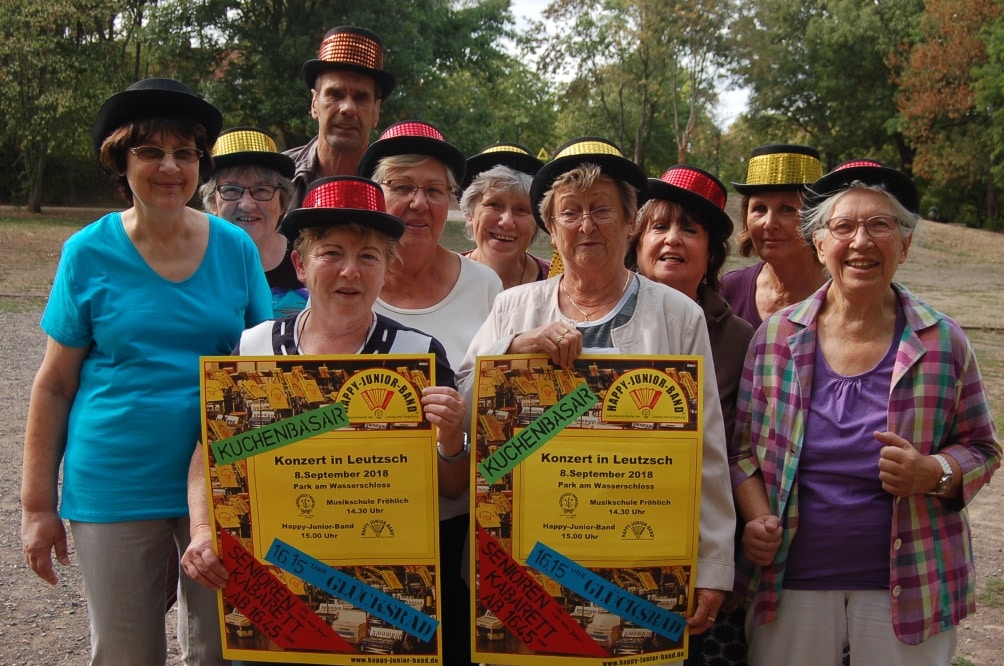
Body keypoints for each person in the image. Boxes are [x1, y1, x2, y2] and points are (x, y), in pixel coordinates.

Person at [20, 78, 272, 666]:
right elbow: (54, 385)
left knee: (224, 651)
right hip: (114, 480)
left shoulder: (235, 248)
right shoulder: (87, 252)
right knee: (125, 652)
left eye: (185, 152)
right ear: (121, 161)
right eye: (151, 152)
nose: (170, 167)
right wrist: (37, 506)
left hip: (220, 481)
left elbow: (261, 363)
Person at [458, 137, 737, 656]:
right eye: (571, 212)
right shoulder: (514, 308)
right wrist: (514, 350)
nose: (586, 225)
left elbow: (708, 450)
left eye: (602, 209)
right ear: (551, 226)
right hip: (529, 562)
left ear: (630, 221)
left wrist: (713, 564)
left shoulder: (677, 315)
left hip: (640, 557)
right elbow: (465, 408)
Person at [181, 176, 467, 666]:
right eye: (331, 253)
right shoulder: (254, 347)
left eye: (369, 257)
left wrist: (450, 438)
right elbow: (209, 453)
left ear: (387, 269)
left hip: (383, 594)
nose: (350, 271)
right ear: (300, 264)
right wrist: (204, 528)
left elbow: (452, 488)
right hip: (274, 588)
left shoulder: (417, 354)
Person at [731, 159, 1002, 665]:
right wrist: (758, 517)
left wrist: (933, 472)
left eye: (880, 225)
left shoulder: (943, 341)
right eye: (843, 227)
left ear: (905, 245)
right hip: (791, 582)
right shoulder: (776, 338)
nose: (861, 241)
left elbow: (982, 448)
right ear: (819, 243)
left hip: (910, 585)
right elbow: (742, 451)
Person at [358, 120, 503, 666]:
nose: (419, 203)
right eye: (402, 187)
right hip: (359, 514)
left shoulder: (484, 285)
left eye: (435, 190)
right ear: (376, 195)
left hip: (456, 521)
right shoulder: (351, 279)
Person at [626, 165, 754, 666]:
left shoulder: (740, 339)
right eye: (658, 226)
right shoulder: (595, 319)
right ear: (636, 243)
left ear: (711, 253)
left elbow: (737, 455)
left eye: (690, 229)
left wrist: (722, 564)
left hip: (692, 554)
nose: (672, 239)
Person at [284, 26, 395, 209]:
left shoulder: (396, 186)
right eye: (335, 94)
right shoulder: (277, 178)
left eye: (361, 97)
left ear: (376, 111)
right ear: (314, 103)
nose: (348, 108)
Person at [201, 126, 307, 317]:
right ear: (212, 202)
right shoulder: (192, 263)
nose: (247, 204)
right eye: (231, 190)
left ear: (282, 202)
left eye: (261, 190)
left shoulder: (308, 264)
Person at [721, 144, 825, 328]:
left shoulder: (842, 297)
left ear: (817, 218)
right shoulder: (727, 292)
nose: (769, 223)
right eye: (760, 209)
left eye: (787, 209)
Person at [458, 143, 549, 288]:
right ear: (470, 214)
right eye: (494, 205)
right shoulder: (440, 278)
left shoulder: (557, 284)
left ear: (537, 223)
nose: (506, 222)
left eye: (521, 209)